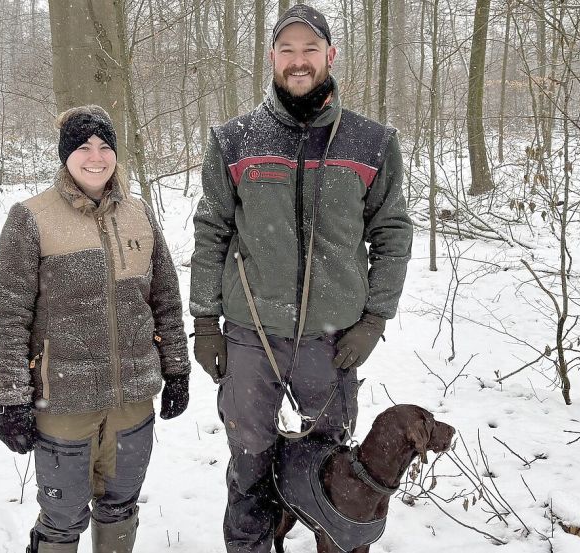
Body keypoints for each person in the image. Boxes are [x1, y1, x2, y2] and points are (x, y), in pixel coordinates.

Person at [189, 5, 413, 552]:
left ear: (330, 56)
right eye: (286, 50)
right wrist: (205, 320)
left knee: (327, 469)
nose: (298, 61)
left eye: (310, 49)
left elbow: (392, 234)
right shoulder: (234, 140)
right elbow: (212, 230)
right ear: (271, 57)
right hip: (249, 336)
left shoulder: (372, 142)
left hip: (332, 342)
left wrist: (375, 318)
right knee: (250, 465)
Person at [0, 105, 190, 553]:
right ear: (65, 155)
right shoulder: (31, 217)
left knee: (120, 507)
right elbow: (8, 316)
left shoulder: (139, 214)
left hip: (133, 402)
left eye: (104, 146)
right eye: (83, 147)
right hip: (64, 401)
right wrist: (11, 400)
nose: (95, 157)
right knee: (62, 519)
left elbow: (165, 300)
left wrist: (177, 371)